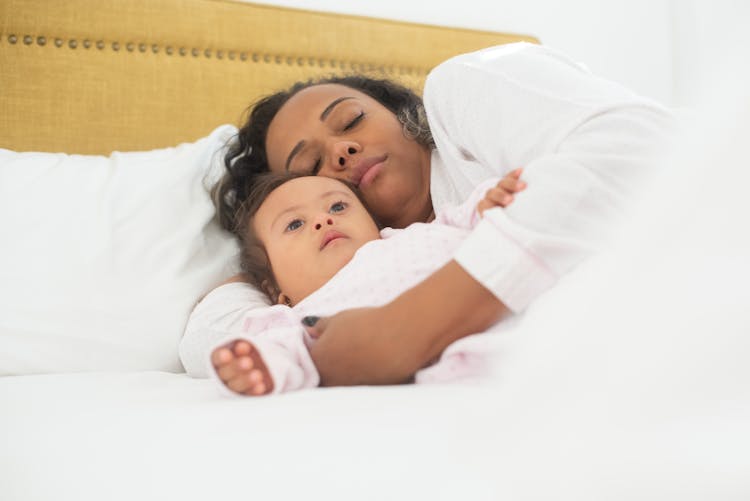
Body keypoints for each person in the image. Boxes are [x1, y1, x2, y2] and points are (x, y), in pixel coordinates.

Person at [179, 42, 674, 386]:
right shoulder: (351, 272)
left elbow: (645, 146)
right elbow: (219, 341)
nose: (344, 150)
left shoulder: (459, 99)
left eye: (352, 120)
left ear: (399, 114)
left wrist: (407, 329)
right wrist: (252, 278)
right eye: (312, 166)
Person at [207, 171, 524, 395]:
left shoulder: (416, 233)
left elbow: (468, 216)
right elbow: (275, 349)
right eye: (294, 224)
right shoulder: (302, 317)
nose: (323, 220)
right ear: (278, 292)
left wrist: (488, 201)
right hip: (462, 371)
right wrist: (257, 365)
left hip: (513, 308)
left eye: (338, 206)